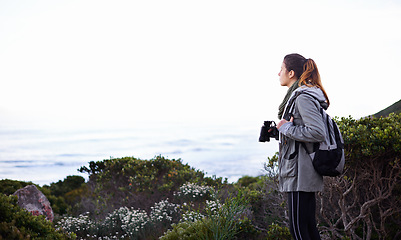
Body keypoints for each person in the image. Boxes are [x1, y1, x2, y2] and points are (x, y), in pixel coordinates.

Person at [275, 53, 330, 240]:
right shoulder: (298, 96)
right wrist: (281, 131)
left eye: (281, 69)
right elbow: (300, 130)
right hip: (299, 169)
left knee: (298, 230)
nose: (278, 73)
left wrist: (287, 128)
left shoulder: (301, 97)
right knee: (307, 228)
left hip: (301, 171)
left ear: (291, 73)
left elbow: (317, 132)